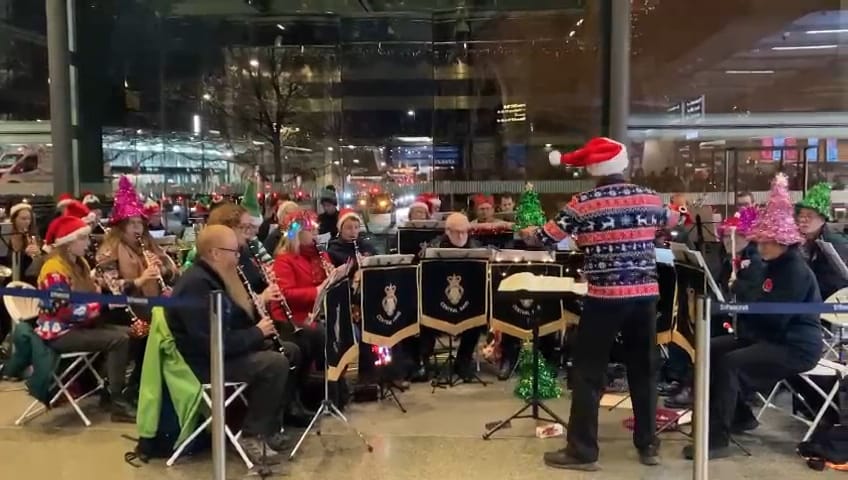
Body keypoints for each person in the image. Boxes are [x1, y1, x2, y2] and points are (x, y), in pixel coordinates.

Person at [523, 137, 676, 470]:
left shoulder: (583, 202)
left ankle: (583, 451)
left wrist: (528, 232)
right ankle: (648, 445)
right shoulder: (648, 197)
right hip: (645, 297)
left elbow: (546, 238)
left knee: (588, 372)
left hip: (604, 299)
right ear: (622, 165)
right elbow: (672, 221)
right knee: (643, 369)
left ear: (594, 170)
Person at [682, 173, 822, 460]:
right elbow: (762, 305)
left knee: (730, 363)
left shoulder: (793, 271)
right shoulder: (772, 265)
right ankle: (741, 417)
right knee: (711, 350)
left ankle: (717, 440)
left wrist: (744, 304)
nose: (760, 247)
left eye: (767, 243)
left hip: (794, 346)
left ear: (783, 243)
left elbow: (774, 317)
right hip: (767, 335)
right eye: (760, 242)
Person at [166, 225, 293, 462]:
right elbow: (212, 343)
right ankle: (251, 434)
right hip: (205, 363)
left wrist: (257, 312)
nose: (238, 257)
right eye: (234, 252)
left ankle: (270, 427)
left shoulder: (215, 278)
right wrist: (257, 333)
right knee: (274, 363)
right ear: (215, 253)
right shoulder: (198, 285)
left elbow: (230, 324)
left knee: (290, 350)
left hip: (221, 353)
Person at [36, 215, 136, 422]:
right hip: (59, 332)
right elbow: (63, 312)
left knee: (132, 333)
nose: (88, 243)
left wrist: (101, 286)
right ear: (68, 243)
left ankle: (110, 390)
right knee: (120, 340)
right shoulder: (53, 270)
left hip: (79, 326)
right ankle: (117, 401)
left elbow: (85, 296)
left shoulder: (79, 263)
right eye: (82, 239)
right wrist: (101, 304)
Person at [96, 176, 178, 401]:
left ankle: (142, 384)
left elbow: (175, 270)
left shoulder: (148, 245)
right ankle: (126, 388)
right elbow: (111, 286)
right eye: (132, 224)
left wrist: (164, 271)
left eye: (140, 223)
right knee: (153, 332)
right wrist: (141, 280)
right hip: (121, 311)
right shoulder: (108, 250)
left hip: (148, 307)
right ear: (120, 227)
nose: (138, 228)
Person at [272, 211, 332, 405]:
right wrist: (316, 291)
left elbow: (328, 282)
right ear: (297, 233)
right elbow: (286, 294)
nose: (315, 234)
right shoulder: (284, 259)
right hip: (292, 317)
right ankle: (303, 393)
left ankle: (333, 388)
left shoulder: (320, 255)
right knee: (319, 336)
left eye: (316, 230)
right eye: (311, 230)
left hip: (316, 313)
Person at [418, 213, 486, 382]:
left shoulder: (477, 248)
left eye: (465, 232)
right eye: (457, 232)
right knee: (424, 320)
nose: (462, 236)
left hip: (467, 303)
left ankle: (463, 362)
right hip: (438, 303)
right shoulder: (434, 247)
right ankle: (422, 362)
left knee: (477, 320)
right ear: (447, 231)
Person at [795, 182, 848, 300]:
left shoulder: (834, 244)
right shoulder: (799, 241)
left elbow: (832, 283)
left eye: (809, 216)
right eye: (801, 215)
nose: (803, 220)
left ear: (823, 219)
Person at [4, 201, 41, 283]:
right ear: (14, 219)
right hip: (7, 279)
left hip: (25, 279)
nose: (27, 222)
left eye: (29, 219)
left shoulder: (32, 236)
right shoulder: (5, 236)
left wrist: (38, 255)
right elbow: (6, 261)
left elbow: (33, 268)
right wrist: (23, 254)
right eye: (23, 219)